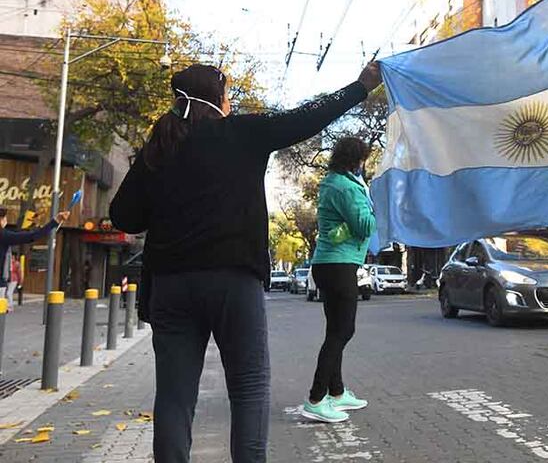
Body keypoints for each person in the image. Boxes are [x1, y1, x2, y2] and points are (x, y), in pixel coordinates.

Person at [109, 62, 381, 463]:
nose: (231, 101)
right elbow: (306, 119)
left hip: (170, 288)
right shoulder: (242, 132)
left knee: (174, 397)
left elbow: (124, 216)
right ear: (217, 100)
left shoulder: (160, 145)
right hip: (233, 284)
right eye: (228, 94)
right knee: (249, 389)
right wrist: (360, 87)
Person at [302, 136, 375, 423]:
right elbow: (365, 225)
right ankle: (316, 398)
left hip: (328, 264)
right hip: (339, 265)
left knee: (335, 329)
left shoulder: (333, 181)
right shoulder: (347, 187)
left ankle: (337, 391)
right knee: (342, 332)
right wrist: (373, 208)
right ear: (356, 160)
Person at [0, 208, 70, 303]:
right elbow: (32, 236)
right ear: (2, 220)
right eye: (5, 218)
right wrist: (55, 221)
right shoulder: (4, 235)